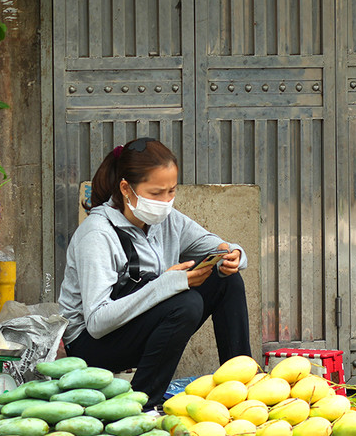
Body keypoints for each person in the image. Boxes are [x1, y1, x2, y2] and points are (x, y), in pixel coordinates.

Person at [57, 137, 252, 408]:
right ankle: (140, 405)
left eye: (171, 191)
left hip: (135, 329)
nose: (166, 201)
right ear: (126, 188)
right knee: (186, 302)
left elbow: (218, 246)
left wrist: (234, 255)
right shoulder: (97, 233)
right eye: (156, 193)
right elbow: (98, 322)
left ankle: (243, 385)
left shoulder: (168, 220)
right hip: (91, 345)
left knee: (226, 280)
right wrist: (168, 284)